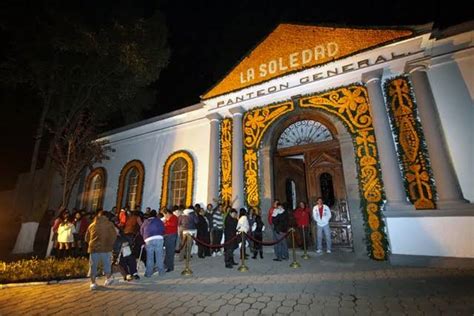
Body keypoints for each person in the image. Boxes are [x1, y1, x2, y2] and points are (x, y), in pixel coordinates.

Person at [85, 209, 118, 290]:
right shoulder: (109, 224)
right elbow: (114, 236)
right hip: (105, 247)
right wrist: (110, 244)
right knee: (106, 264)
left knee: (93, 265)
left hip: (93, 248)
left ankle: (92, 283)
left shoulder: (92, 224)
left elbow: (86, 237)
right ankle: (108, 279)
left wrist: (91, 243)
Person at [140, 209, 165, 277]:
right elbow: (163, 229)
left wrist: (144, 238)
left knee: (149, 257)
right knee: (159, 256)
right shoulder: (159, 221)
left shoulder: (145, 222)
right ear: (156, 215)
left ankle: (148, 273)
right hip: (158, 238)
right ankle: (161, 272)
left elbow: (141, 230)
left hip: (148, 239)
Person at [163, 208, 178, 272]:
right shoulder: (167, 218)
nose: (164, 216)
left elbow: (173, 224)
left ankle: (170, 267)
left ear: (168, 213)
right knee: (167, 251)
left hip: (171, 236)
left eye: (164, 214)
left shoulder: (174, 217)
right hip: (166, 236)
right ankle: (166, 264)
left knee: (170, 252)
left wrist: (166, 222)